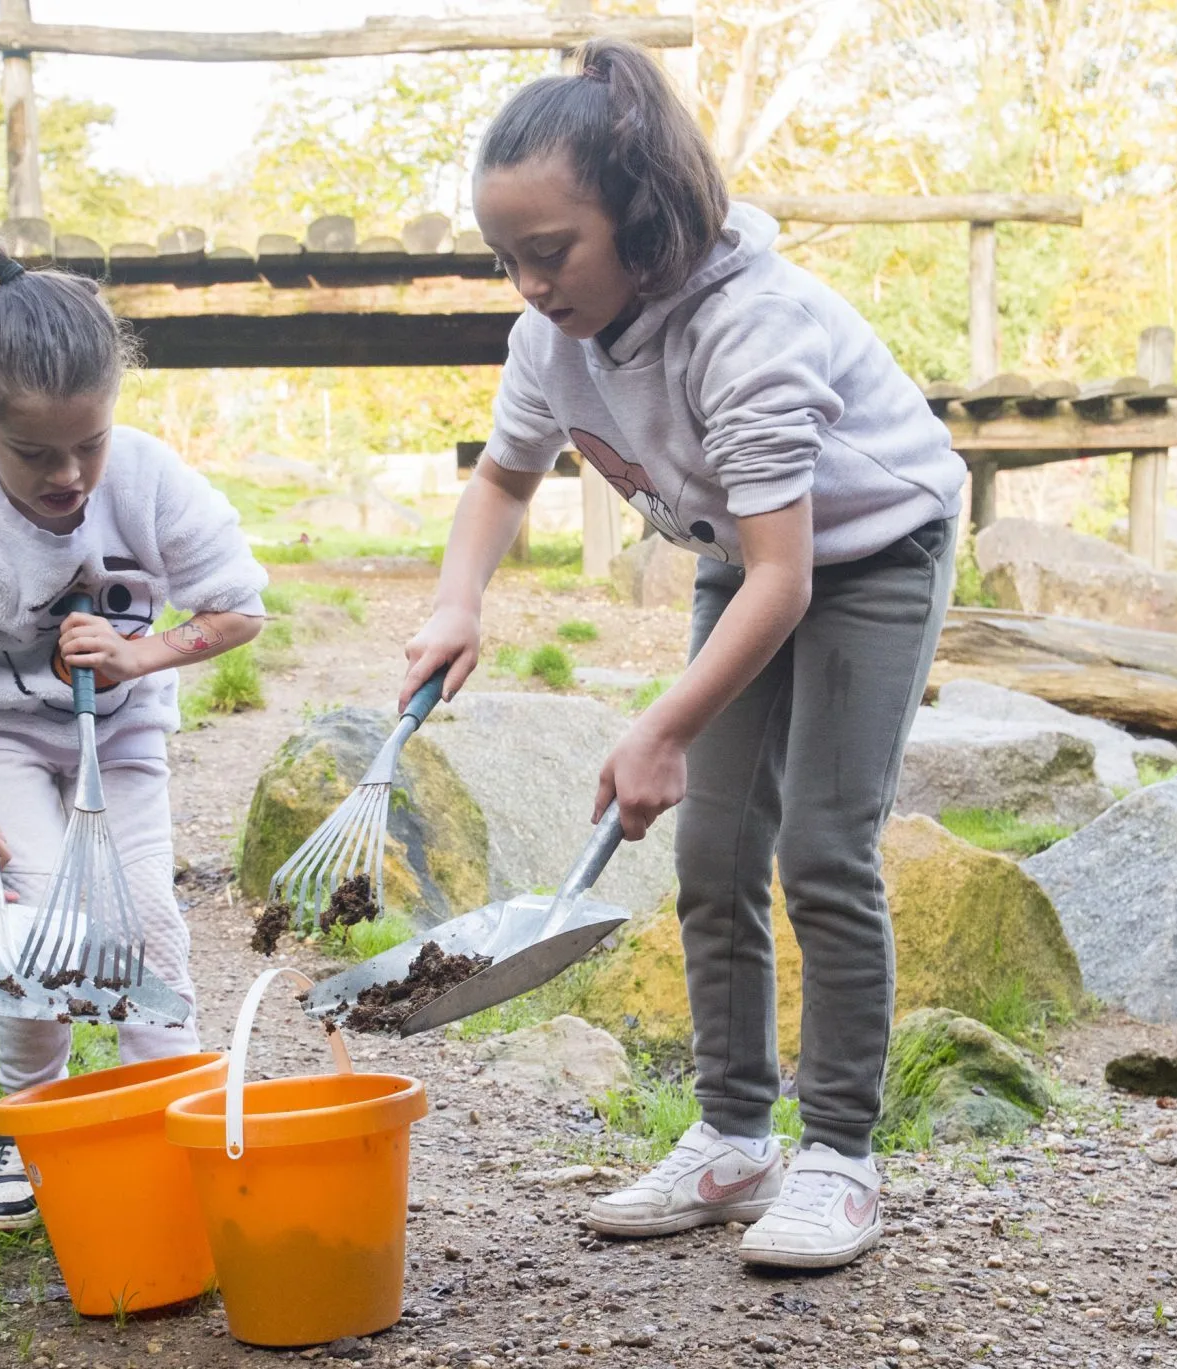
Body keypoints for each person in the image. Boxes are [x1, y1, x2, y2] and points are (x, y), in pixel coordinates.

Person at [402, 39, 964, 1271]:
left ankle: (838, 1156)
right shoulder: (548, 338)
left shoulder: (748, 326)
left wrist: (658, 725)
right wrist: (459, 602)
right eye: (508, 257)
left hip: (868, 550)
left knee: (820, 845)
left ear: (644, 221)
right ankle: (730, 1135)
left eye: (551, 252)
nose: (530, 283)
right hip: (747, 554)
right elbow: (504, 476)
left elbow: (791, 576)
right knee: (713, 852)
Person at [0, 243, 267, 1231]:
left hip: (122, 744)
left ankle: (180, 1118)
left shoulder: (146, 479)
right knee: (44, 925)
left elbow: (238, 612)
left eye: (87, 443)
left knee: (148, 919)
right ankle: (33, 1120)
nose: (69, 475)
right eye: (35, 453)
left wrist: (141, 658)